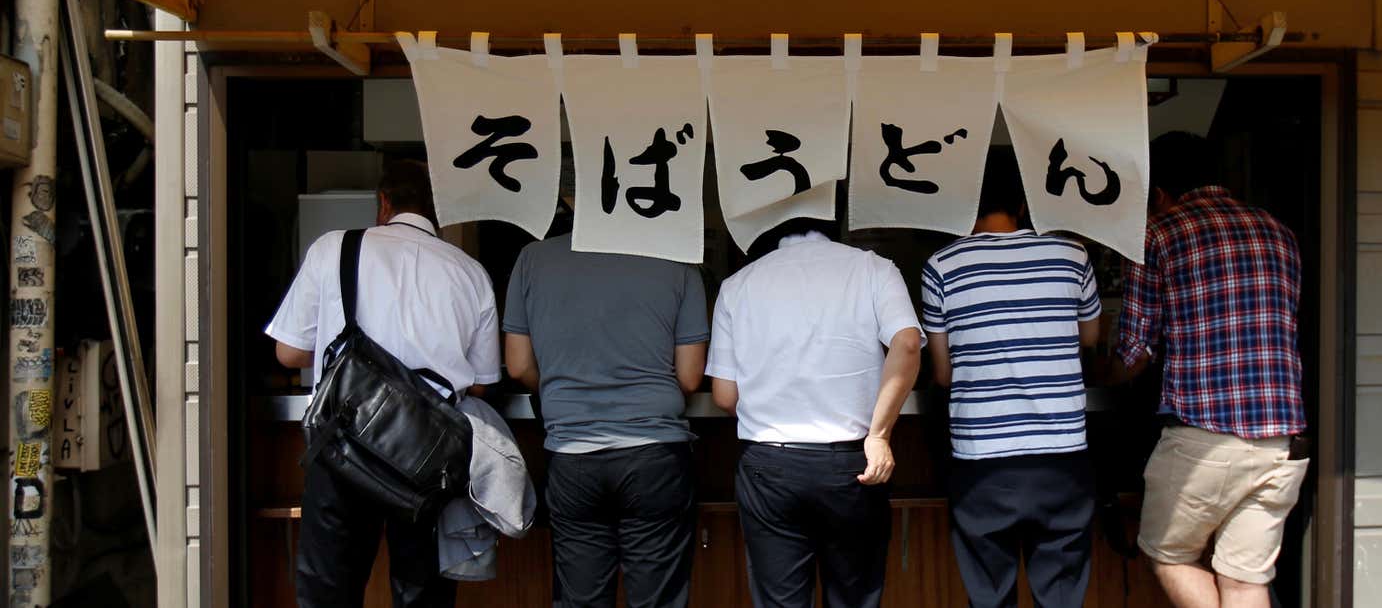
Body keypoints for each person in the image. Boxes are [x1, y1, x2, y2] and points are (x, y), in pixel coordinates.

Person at [266, 160, 501, 608]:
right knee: (421, 594)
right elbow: (483, 384)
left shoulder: (333, 248)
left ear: (384, 203)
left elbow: (288, 353)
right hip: (425, 460)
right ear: (439, 212)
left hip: (343, 446)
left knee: (328, 591)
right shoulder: (471, 273)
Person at [1109, 132, 1308, 608]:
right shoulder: (1277, 230)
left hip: (1205, 439)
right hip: (1282, 444)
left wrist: (1105, 375)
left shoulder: (1158, 232)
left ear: (1158, 192)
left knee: (1169, 554)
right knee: (1245, 579)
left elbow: (1135, 351)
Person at [707, 218, 924, 608]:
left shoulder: (738, 284)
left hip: (770, 464)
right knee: (854, 597)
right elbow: (908, 343)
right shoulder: (874, 268)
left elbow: (724, 395)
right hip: (852, 464)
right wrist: (878, 435)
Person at [922, 154, 1103, 608]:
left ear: (964, 203)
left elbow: (942, 374)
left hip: (981, 460)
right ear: (1024, 204)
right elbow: (1091, 336)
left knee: (990, 594)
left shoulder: (942, 266)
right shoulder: (1072, 254)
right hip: (1063, 456)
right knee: (1061, 595)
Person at [502, 232, 709, 608]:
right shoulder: (677, 259)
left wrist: (561, 388)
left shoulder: (533, 258)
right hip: (655, 455)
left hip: (571, 453)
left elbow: (517, 365)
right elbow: (691, 377)